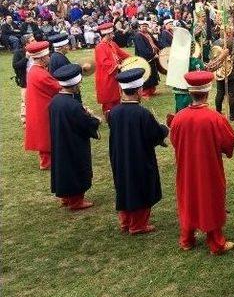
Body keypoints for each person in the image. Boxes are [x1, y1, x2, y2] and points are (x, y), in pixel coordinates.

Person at [169, 71, 234, 254]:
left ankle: (186, 239)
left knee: (188, 197)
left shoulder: (179, 118)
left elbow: (174, 141)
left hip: (186, 168)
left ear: (190, 92)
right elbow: (229, 142)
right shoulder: (215, 118)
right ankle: (216, 242)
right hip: (209, 169)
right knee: (210, 198)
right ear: (208, 91)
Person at [108, 68, 168, 234]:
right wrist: (164, 129)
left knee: (123, 186)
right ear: (139, 90)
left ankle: (125, 221)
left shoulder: (114, 112)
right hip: (139, 159)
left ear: (122, 90)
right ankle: (138, 225)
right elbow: (154, 135)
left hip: (120, 158)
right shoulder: (142, 114)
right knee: (142, 188)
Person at [49, 64, 101, 210]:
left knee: (63, 169)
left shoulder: (55, 101)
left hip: (60, 143)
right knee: (76, 169)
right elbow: (85, 124)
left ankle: (65, 196)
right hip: (74, 144)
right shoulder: (73, 105)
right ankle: (76, 201)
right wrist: (95, 119)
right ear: (74, 85)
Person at [24, 40, 61, 170]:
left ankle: (47, 160)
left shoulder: (34, 70)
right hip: (43, 108)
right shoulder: (40, 73)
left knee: (44, 134)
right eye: (47, 56)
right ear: (41, 58)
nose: (49, 57)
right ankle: (46, 163)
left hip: (39, 106)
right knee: (45, 135)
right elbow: (57, 87)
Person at [95, 22, 130, 115]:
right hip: (106, 75)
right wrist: (116, 65)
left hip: (114, 73)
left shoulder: (112, 44)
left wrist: (132, 59)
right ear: (107, 34)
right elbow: (104, 62)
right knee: (108, 95)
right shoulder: (100, 47)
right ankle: (109, 114)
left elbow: (121, 53)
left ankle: (117, 111)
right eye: (111, 34)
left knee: (116, 93)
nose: (113, 35)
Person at [133, 21, 161, 98]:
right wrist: (152, 55)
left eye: (146, 26)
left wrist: (161, 50)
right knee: (146, 75)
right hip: (144, 58)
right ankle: (144, 93)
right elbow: (142, 49)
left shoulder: (149, 34)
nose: (144, 27)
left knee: (153, 74)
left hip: (152, 57)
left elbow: (156, 43)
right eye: (143, 26)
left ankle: (152, 90)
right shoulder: (138, 36)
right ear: (139, 27)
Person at [12, 34, 34, 126]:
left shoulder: (36, 51)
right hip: (25, 80)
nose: (35, 41)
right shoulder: (19, 53)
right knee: (25, 100)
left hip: (36, 79)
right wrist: (26, 57)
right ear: (26, 44)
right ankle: (24, 119)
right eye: (32, 40)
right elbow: (16, 65)